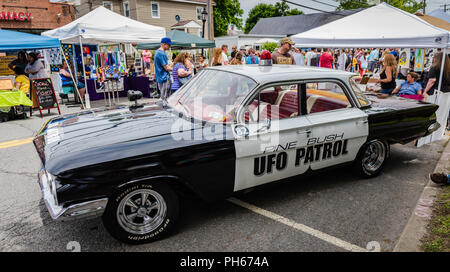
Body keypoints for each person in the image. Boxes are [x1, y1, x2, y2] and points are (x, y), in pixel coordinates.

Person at [155, 37, 173, 102]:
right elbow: (166, 67)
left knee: (163, 97)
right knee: (165, 99)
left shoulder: (157, 52)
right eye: (169, 45)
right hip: (164, 78)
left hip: (160, 77)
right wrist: (175, 69)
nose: (170, 47)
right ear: (164, 44)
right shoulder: (161, 53)